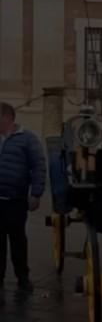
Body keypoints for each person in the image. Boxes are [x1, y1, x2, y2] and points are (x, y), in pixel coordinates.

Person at [0, 102, 46, 295]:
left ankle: (23, 278)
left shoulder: (28, 139)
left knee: (18, 240)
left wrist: (36, 194)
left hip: (16, 199)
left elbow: (38, 166)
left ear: (8, 118)